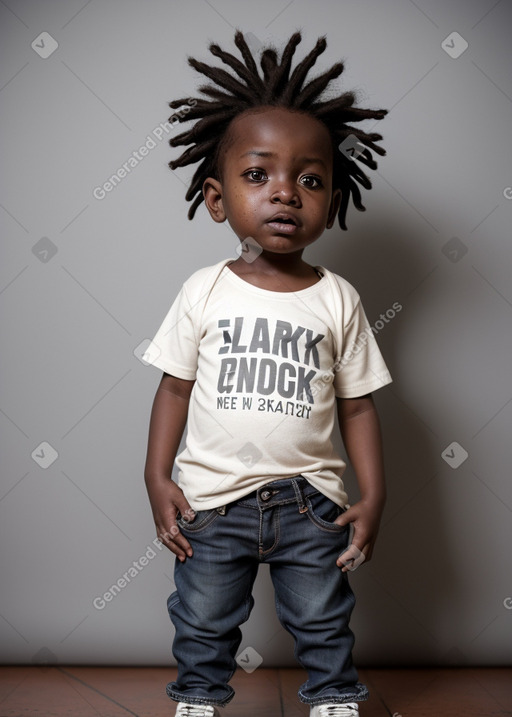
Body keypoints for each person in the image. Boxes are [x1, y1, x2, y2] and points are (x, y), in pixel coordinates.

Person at [143, 28, 393, 717]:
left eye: (309, 179)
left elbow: (360, 406)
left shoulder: (337, 297)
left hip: (311, 500)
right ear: (218, 198)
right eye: (259, 175)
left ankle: (334, 696)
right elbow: (174, 387)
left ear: (332, 200)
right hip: (212, 498)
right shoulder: (204, 289)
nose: (285, 193)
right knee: (201, 615)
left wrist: (371, 494)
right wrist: (156, 476)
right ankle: (197, 698)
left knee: (321, 613)